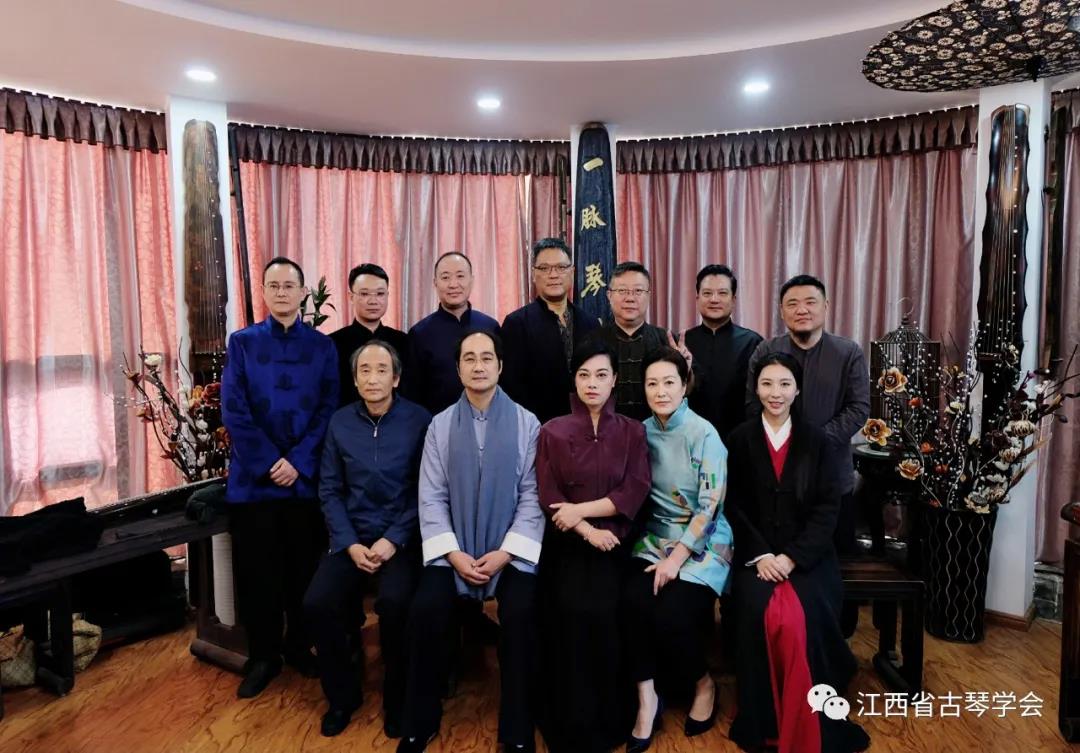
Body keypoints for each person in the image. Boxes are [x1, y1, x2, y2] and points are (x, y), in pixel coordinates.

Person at [397, 330, 544, 753]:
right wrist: (454, 554)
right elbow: (431, 496)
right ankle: (419, 721)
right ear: (458, 368)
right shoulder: (440, 425)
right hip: (453, 551)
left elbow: (533, 496)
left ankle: (517, 728)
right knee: (425, 609)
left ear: (500, 366)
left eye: (487, 358)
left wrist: (505, 553)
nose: (479, 366)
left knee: (522, 612)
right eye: (469, 358)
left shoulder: (527, 423)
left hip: (509, 552)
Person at [726, 353, 870, 753]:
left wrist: (792, 557)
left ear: (797, 389)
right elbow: (732, 505)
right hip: (755, 556)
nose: (776, 393)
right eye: (767, 383)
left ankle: (808, 718)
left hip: (808, 556)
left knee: (798, 619)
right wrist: (761, 555)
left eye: (784, 384)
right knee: (760, 612)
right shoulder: (739, 439)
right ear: (756, 388)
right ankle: (765, 720)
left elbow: (828, 509)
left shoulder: (817, 441)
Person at [221, 256, 339, 699]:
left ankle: (298, 646)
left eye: (290, 285)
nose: (282, 292)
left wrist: (299, 462)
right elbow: (234, 410)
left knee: (303, 571)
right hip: (255, 482)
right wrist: (271, 461)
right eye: (274, 285)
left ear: (303, 292)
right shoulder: (243, 343)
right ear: (265, 292)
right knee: (258, 575)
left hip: (304, 480)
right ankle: (264, 657)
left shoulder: (323, 347)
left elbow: (329, 408)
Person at [303, 340, 431, 738]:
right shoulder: (340, 423)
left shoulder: (419, 420)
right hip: (352, 537)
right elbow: (329, 490)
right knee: (317, 603)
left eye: (381, 370)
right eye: (364, 371)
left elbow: (425, 490)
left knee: (395, 604)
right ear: (355, 380)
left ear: (396, 378)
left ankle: (398, 700)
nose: (373, 378)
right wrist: (349, 542)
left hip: (400, 538)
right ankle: (342, 697)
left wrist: (393, 538)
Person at [534, 340, 651, 753]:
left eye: (601, 375)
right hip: (568, 542)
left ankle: (612, 719)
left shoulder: (633, 431)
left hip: (618, 541)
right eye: (584, 375)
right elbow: (548, 493)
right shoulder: (552, 430)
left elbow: (635, 488)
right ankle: (568, 723)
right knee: (568, 608)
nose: (592, 383)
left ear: (615, 379)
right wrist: (586, 529)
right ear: (574, 379)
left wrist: (584, 514)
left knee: (606, 608)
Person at [622, 347, 733, 753]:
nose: (661, 391)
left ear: (684, 385)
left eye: (669, 382)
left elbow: (711, 505)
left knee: (673, 613)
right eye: (652, 383)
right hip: (655, 538)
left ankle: (703, 684)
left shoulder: (704, 434)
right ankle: (646, 697)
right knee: (631, 602)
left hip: (703, 539)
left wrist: (676, 559)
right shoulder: (639, 432)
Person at [746, 274, 869, 556]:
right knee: (782, 559)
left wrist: (813, 442)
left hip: (832, 472)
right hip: (776, 476)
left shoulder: (848, 352)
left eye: (810, 302)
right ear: (781, 311)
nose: (801, 310)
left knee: (836, 561)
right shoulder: (766, 350)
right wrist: (786, 443)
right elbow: (752, 405)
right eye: (792, 304)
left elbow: (858, 408)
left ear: (826, 306)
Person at [501, 237, 600, 424]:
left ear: (572, 272)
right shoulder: (517, 323)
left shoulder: (590, 323)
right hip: (537, 427)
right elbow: (511, 387)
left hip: (585, 425)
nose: (553, 275)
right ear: (533, 274)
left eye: (561, 267)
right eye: (545, 268)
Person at [403, 252, 500, 415]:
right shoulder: (419, 334)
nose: (453, 284)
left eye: (460, 276)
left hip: (489, 420)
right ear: (435, 283)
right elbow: (412, 394)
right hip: (436, 424)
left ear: (471, 280)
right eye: (445, 277)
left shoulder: (491, 327)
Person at [587, 262, 682, 420]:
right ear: (609, 295)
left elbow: (690, 388)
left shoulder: (667, 339)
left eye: (638, 291)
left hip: (656, 430)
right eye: (622, 291)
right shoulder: (592, 341)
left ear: (648, 296)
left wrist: (685, 369)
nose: (630, 298)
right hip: (606, 429)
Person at [684, 264, 763, 443]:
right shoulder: (683, 342)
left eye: (722, 293)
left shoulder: (753, 342)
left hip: (741, 440)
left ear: (733, 299)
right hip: (691, 439)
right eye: (707, 293)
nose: (714, 299)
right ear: (697, 298)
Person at [328, 263, 408, 408]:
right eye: (364, 294)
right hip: (347, 419)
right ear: (351, 297)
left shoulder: (403, 341)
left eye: (380, 294)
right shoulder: (332, 343)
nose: (373, 301)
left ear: (388, 295)